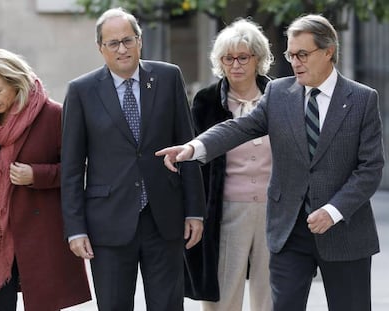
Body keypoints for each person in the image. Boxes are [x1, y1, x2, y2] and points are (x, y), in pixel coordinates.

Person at [156, 14, 384, 311]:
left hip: (344, 230)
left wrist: (333, 210)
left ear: (328, 51)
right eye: (291, 55)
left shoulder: (362, 99)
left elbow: (370, 168)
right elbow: (239, 127)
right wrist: (194, 147)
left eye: (302, 54)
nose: (295, 62)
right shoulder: (279, 93)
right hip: (289, 231)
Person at [60, 7, 206, 311]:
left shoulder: (168, 77)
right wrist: (75, 229)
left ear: (140, 41)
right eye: (113, 43)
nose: (122, 49)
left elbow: (187, 147)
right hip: (108, 223)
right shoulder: (81, 91)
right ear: (100, 48)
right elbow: (72, 169)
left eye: (128, 40)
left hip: (164, 218)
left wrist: (195, 211)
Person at [0, 49, 91, 311]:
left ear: (17, 85)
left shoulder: (53, 115)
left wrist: (36, 175)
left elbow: (76, 170)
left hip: (37, 229)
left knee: (42, 304)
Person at [184, 18, 273, 311]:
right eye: (228, 58)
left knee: (271, 294)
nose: (235, 65)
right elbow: (197, 163)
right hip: (226, 210)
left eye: (243, 57)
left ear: (257, 59)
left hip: (274, 210)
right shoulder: (207, 100)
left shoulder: (279, 96)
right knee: (223, 294)